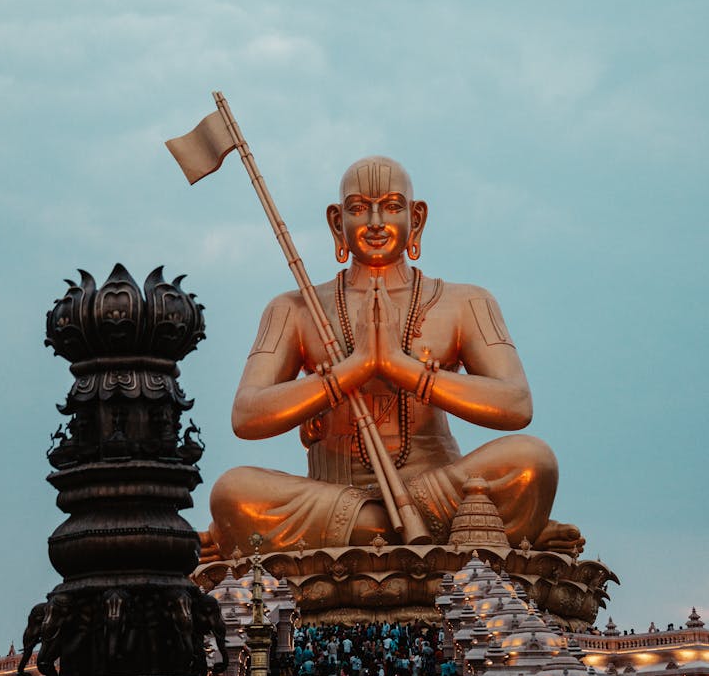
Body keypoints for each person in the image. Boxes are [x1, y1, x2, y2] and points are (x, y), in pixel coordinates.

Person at [207, 156, 582, 556]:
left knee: (533, 461)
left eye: (391, 206)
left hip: (438, 487)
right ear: (337, 222)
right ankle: (463, 531)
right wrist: (355, 369)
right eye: (357, 208)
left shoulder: (465, 302)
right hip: (334, 496)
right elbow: (246, 415)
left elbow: (516, 404)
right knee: (233, 492)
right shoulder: (294, 308)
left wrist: (402, 368)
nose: (373, 221)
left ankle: (357, 535)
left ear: (416, 218)